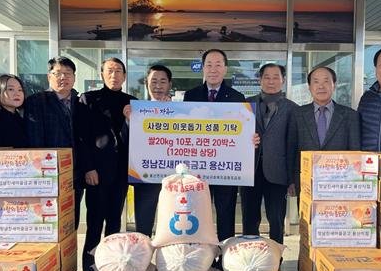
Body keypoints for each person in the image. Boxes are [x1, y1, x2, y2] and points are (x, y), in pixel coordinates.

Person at [291, 66, 361, 271]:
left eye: (326, 81)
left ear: (334, 84)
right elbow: (293, 149)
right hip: (308, 185)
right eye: (316, 81)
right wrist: (293, 181)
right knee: (307, 232)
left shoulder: (349, 116)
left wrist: (354, 185)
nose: (321, 86)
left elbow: (356, 153)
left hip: (340, 187)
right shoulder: (298, 115)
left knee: (336, 231)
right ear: (309, 86)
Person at [78, 57, 137, 271]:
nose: (114, 75)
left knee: (114, 223)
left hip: (122, 171)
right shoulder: (88, 99)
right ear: (102, 74)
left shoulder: (132, 102)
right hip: (97, 172)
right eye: (109, 71)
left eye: (119, 71)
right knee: (94, 223)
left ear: (124, 76)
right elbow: (81, 138)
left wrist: (131, 119)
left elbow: (140, 138)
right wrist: (88, 168)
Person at [183, 49, 246, 243]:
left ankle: (223, 260)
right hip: (198, 169)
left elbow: (242, 131)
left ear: (225, 69)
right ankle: (202, 260)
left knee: (226, 215)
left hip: (225, 170)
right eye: (209, 64)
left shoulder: (237, 97)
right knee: (198, 215)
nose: (213, 69)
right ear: (203, 68)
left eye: (218, 64)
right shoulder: (191, 95)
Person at [240, 63, 298, 245]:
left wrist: (292, 179)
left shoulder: (293, 109)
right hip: (250, 172)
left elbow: (293, 146)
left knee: (276, 221)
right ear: (260, 80)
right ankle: (250, 257)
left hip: (278, 173)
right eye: (266, 77)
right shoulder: (245, 105)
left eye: (276, 77)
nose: (271, 81)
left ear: (283, 80)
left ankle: (276, 263)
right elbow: (233, 136)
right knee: (249, 219)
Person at [24, 56, 84, 231]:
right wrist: (42, 172)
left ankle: (69, 257)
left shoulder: (81, 102)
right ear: (49, 76)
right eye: (58, 73)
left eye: (67, 73)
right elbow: (34, 139)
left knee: (72, 220)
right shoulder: (36, 101)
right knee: (48, 222)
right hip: (48, 173)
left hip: (75, 173)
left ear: (74, 77)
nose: (63, 77)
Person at [123, 64, 173, 236]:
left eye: (163, 81)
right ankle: (143, 259)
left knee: (172, 223)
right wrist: (130, 121)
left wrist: (174, 111)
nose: (158, 86)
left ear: (169, 85)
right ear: (147, 84)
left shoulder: (180, 110)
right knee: (143, 224)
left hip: (172, 176)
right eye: (154, 81)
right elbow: (125, 141)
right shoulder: (136, 110)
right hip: (145, 174)